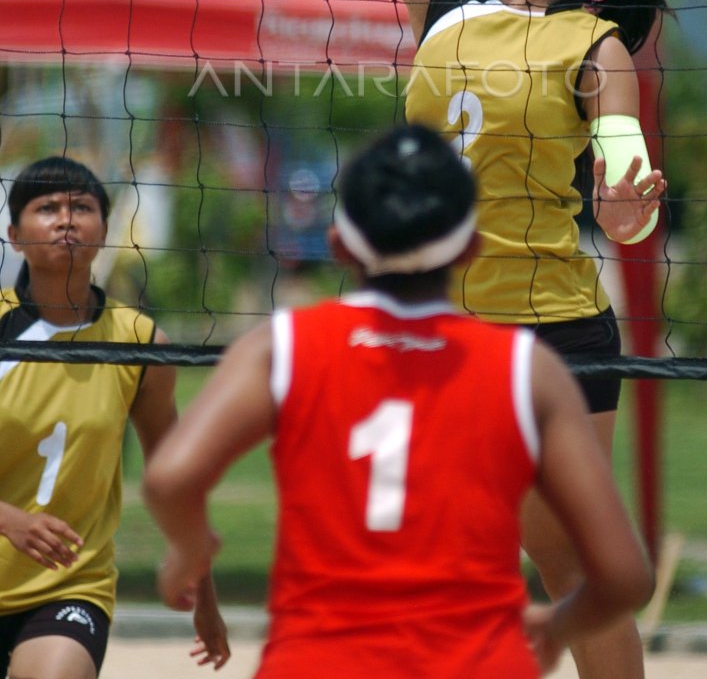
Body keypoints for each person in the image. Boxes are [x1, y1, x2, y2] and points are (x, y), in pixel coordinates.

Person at [288, 0, 669, 679]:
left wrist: (629, 197)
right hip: (431, 323)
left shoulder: (591, 44)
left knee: (571, 564)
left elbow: (621, 161)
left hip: (548, 328)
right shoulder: (439, 0)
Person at [143, 124, 653, 678]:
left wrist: (190, 552)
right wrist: (553, 630)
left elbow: (170, 480)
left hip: (317, 659)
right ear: (470, 248)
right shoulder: (526, 372)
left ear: (339, 245)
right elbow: (624, 575)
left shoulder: (282, 349)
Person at [0, 156, 230, 679]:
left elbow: (173, 476)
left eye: (82, 207)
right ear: (14, 235)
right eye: (46, 208)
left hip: (68, 587)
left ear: (103, 230)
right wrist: (9, 519)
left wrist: (205, 596)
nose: (66, 219)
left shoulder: (140, 343)